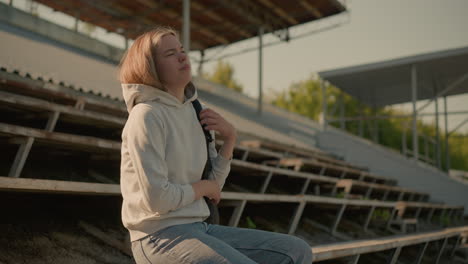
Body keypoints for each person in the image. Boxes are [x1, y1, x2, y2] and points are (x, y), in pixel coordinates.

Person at [119, 26, 313, 264]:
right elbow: (157, 199)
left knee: (297, 251)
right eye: (170, 54)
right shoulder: (146, 115)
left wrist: (230, 139)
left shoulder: (195, 111)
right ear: (149, 67)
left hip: (200, 228)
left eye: (181, 50)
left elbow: (215, 187)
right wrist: (203, 188)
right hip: (159, 236)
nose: (182, 56)